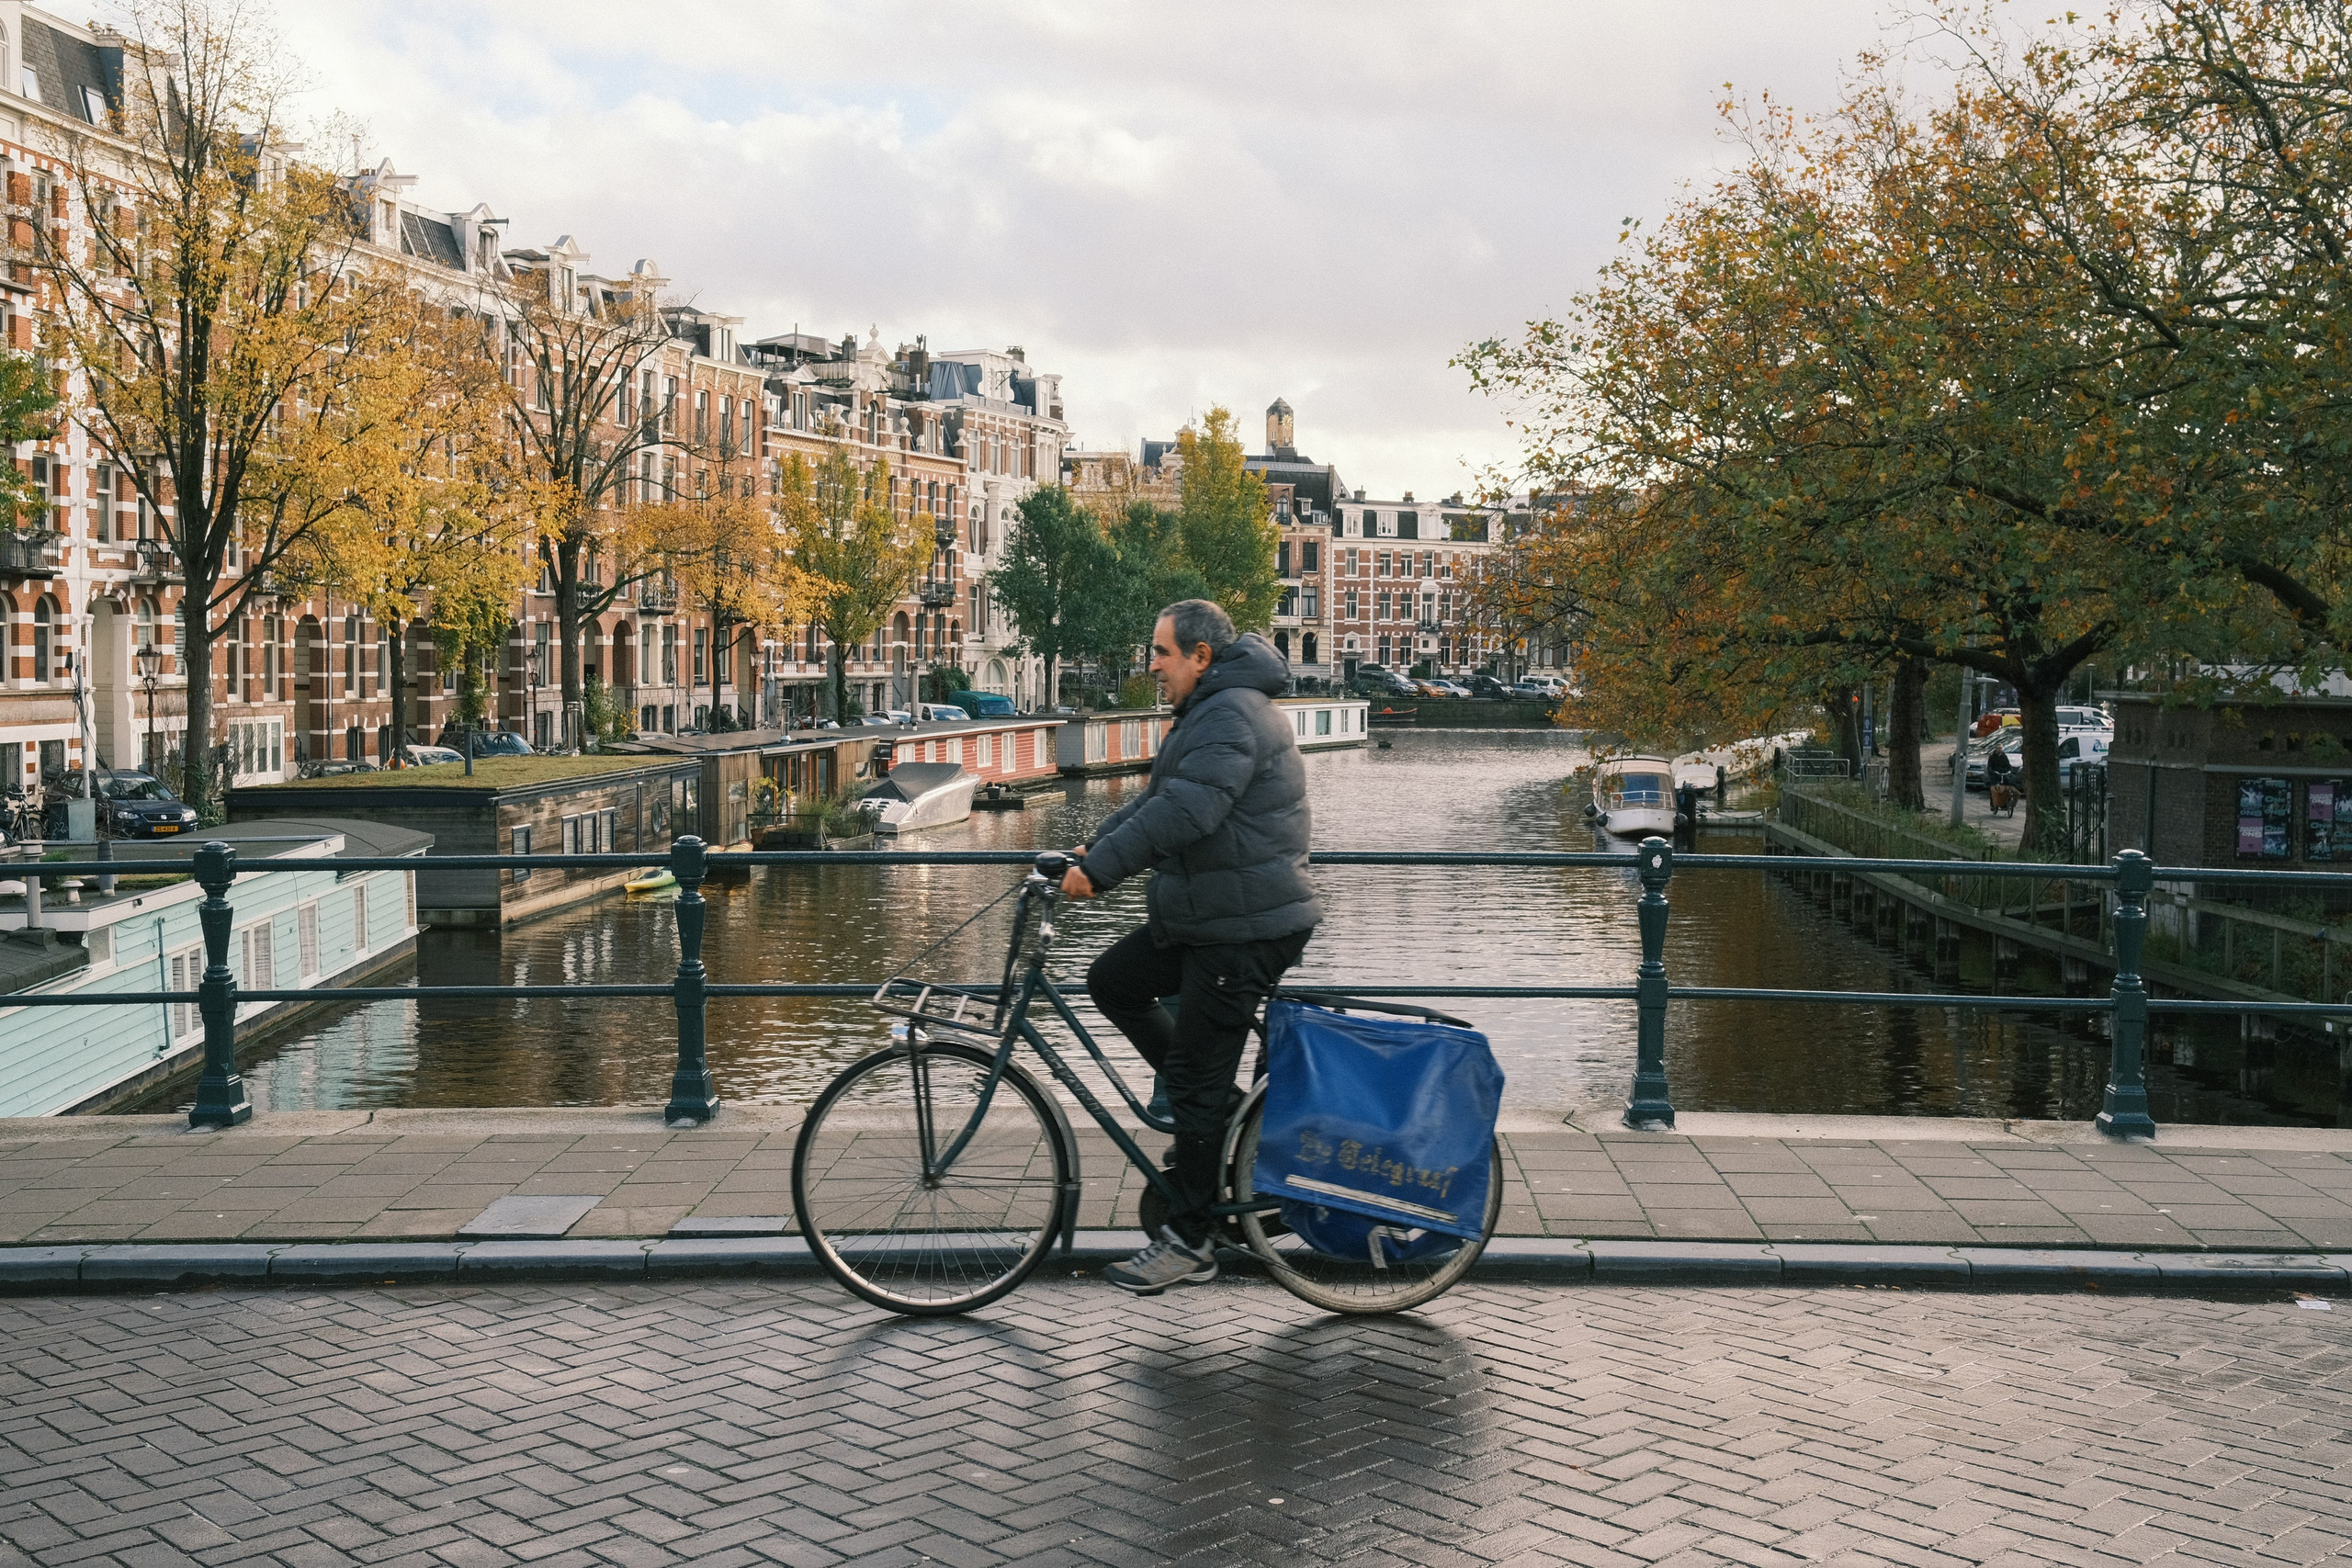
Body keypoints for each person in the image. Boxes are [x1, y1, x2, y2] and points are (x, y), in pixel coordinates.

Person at [1059, 600, 1322, 1294]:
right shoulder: (1213, 709)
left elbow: (1188, 811)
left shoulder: (1230, 713)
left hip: (1245, 926)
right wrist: (1092, 848)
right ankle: (1230, 1121)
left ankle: (1192, 1239)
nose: (1151, 664)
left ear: (1201, 656)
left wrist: (1102, 871)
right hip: (1215, 914)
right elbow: (1158, 798)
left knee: (1195, 1081)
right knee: (1114, 980)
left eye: (1162, 651)